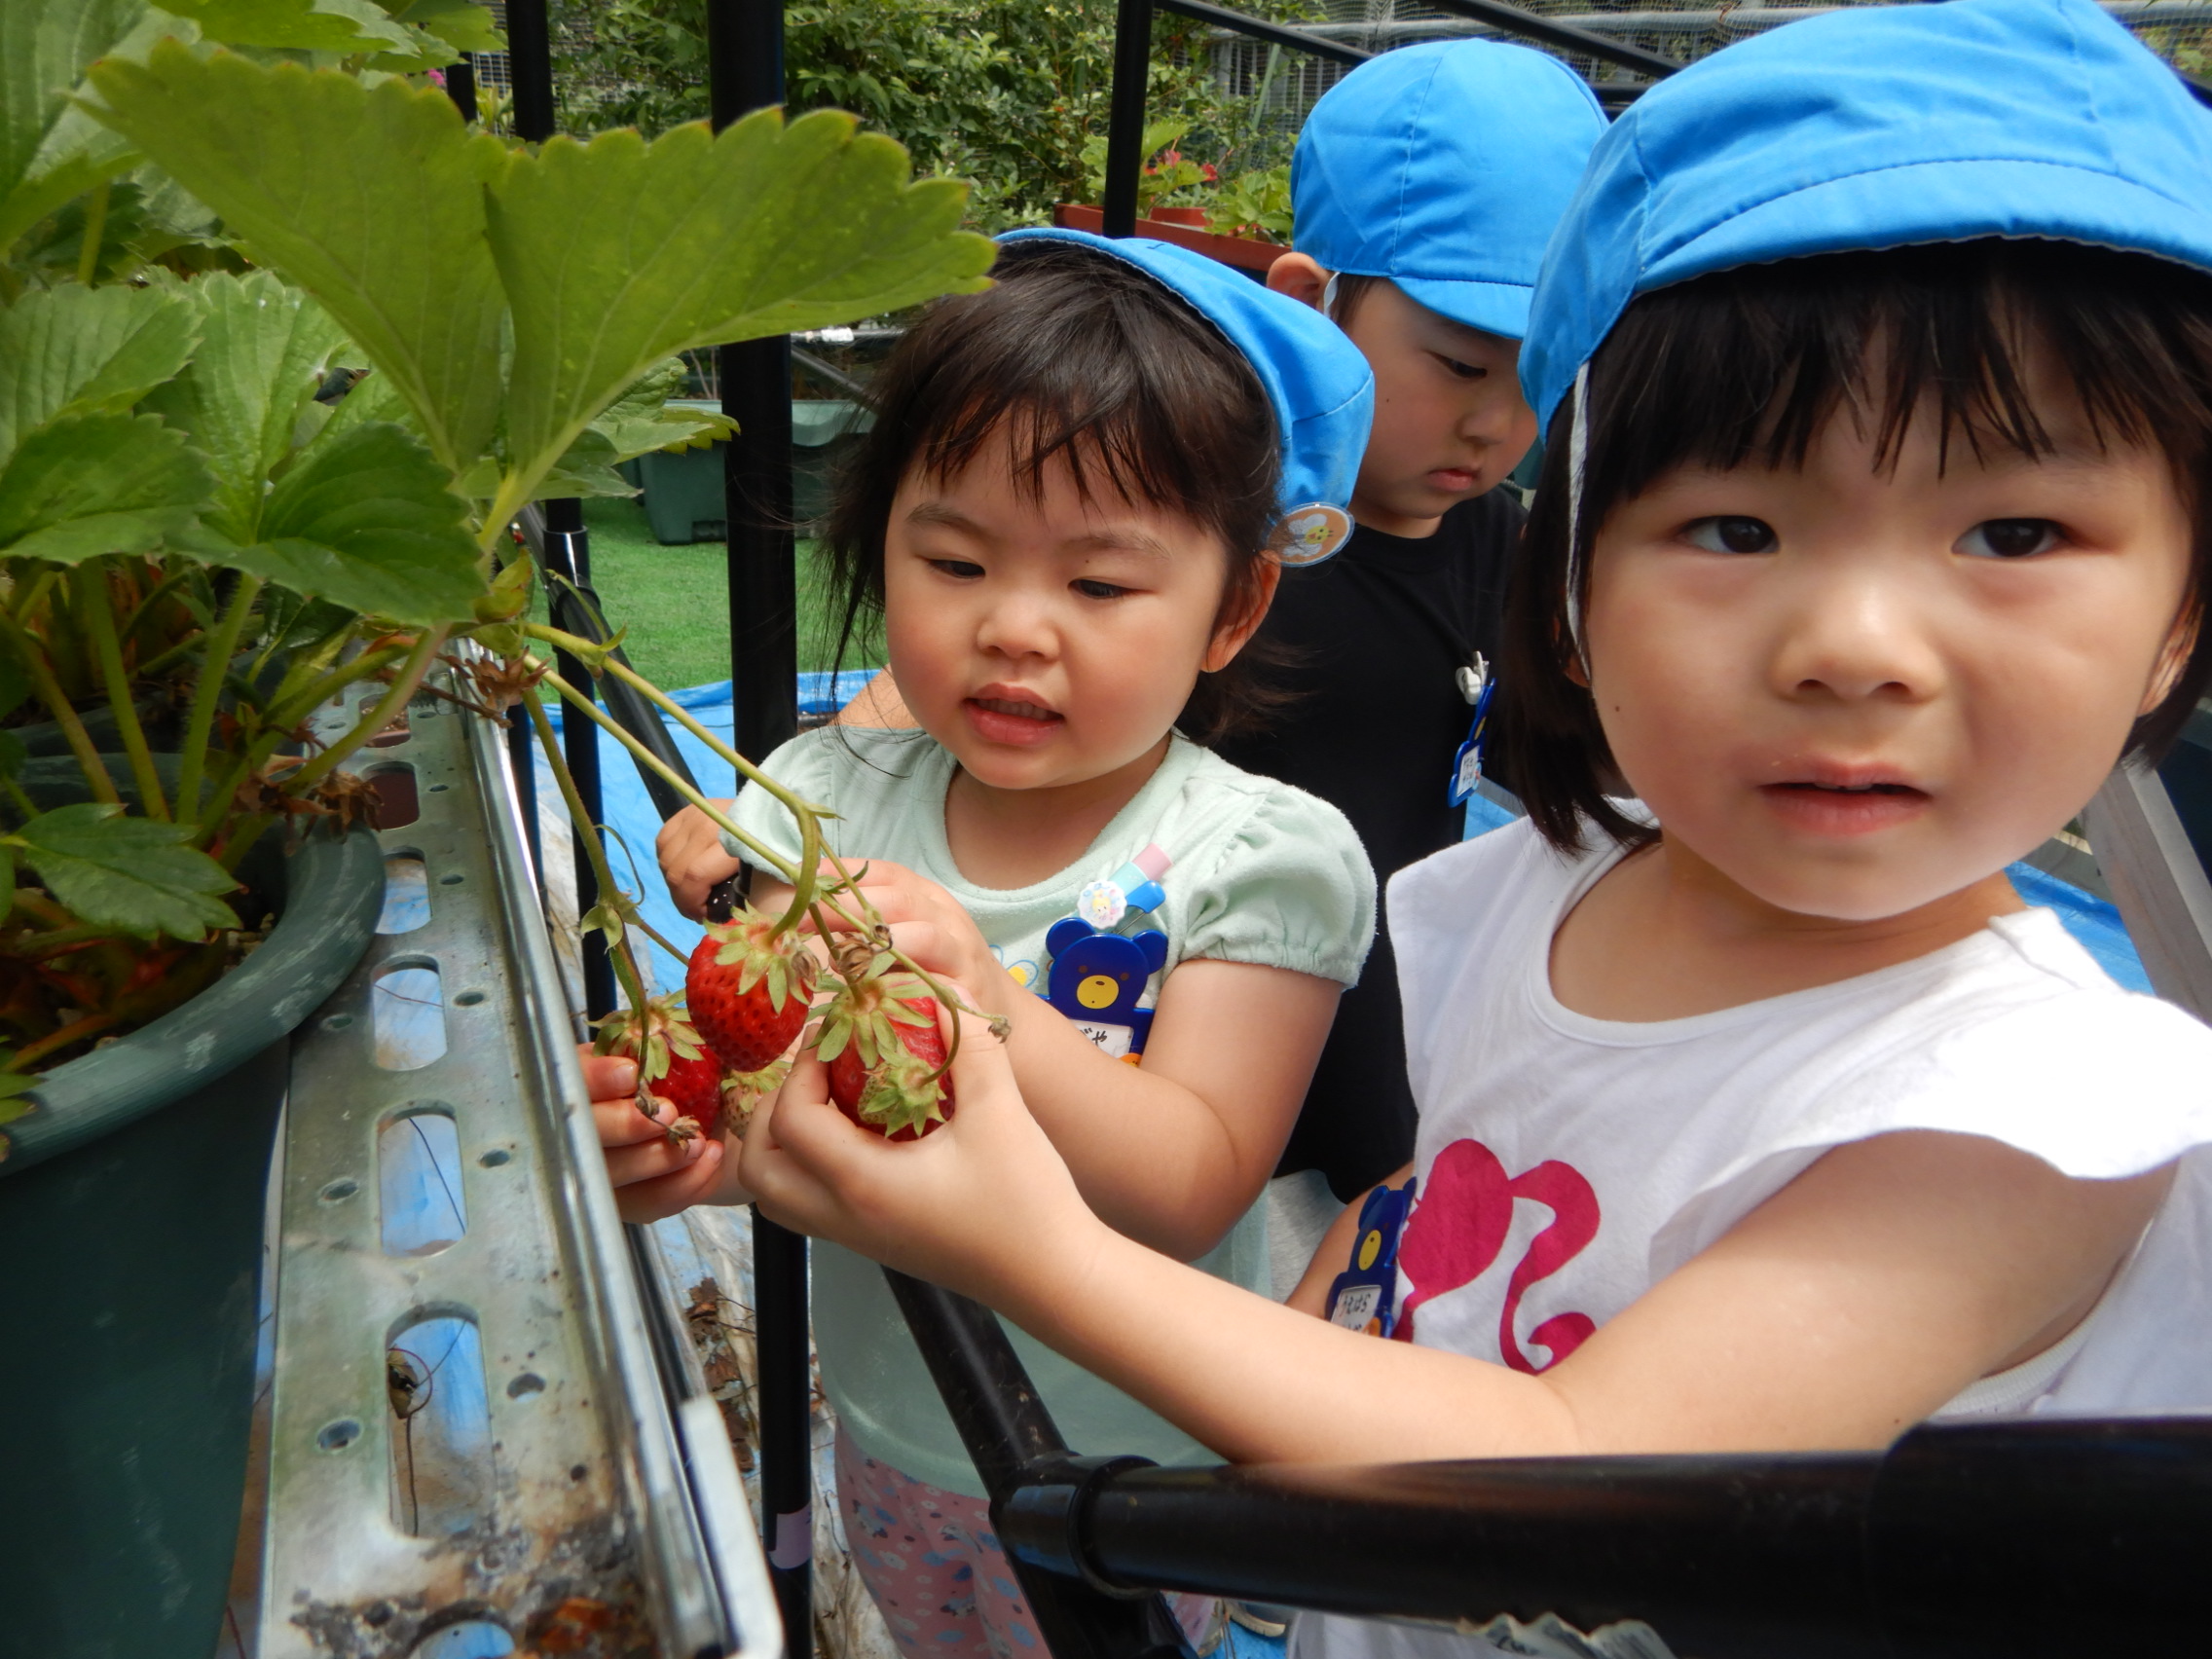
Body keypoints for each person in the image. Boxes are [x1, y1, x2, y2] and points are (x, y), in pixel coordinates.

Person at [731, 3, 2212, 1654]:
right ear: (1570, 578)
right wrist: (1318, 1304)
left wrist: (1014, 1236)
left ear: (2180, 612)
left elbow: (1570, 1478)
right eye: (1733, 524)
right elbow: (1433, 1199)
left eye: (2011, 528)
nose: (1849, 643)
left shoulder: (2032, 1115)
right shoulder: (1552, 883)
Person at [616, 229, 1379, 1658]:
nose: (1015, 629)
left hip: (1130, 1457)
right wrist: (684, 1136)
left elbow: (1192, 1182)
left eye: (1100, 587)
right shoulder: (823, 802)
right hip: (898, 1422)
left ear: (1239, 606)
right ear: (878, 543)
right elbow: (784, 1102)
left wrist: (992, 1009)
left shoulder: (1258, 859)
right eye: (955, 558)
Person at [1219, 43, 1607, 1220]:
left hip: (1380, 1016)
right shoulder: (1212, 526)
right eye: (1454, 364)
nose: (1499, 424)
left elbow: (1540, 751)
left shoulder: (1499, 539)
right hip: (1198, 1021)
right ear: (1307, 302)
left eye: (1541, 373)